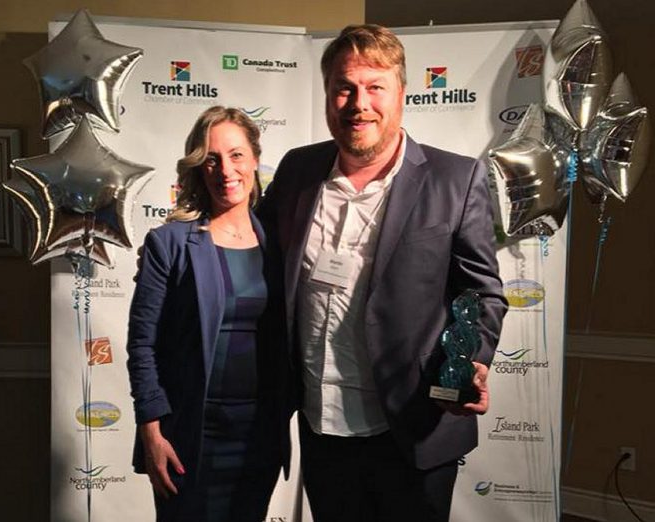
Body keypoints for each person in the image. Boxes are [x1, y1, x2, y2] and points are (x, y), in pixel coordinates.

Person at [257, 24, 507, 522]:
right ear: (328, 94)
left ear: (401, 94)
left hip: (413, 427)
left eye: (375, 87)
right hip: (321, 424)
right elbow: (256, 262)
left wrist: (472, 360)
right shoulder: (297, 172)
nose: (358, 103)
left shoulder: (455, 179)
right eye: (344, 87)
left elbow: (483, 294)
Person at [126, 106, 291, 522]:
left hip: (258, 435)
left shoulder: (281, 242)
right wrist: (151, 430)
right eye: (211, 159)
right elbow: (141, 343)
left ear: (255, 159)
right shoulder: (170, 243)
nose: (225, 170)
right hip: (189, 434)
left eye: (236, 155)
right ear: (198, 168)